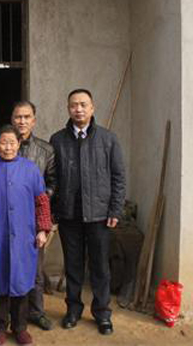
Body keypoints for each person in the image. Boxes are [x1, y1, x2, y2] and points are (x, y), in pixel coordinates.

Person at [49, 89, 126, 335]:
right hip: (69, 215)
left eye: (83, 104)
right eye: (74, 105)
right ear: (68, 109)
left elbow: (118, 177)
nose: (79, 109)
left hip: (99, 215)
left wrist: (115, 209)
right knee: (73, 266)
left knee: (100, 267)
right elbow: (52, 178)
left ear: (92, 108)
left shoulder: (108, 139)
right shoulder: (58, 140)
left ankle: (102, 313)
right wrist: (53, 211)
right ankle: (73, 310)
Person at [0, 125, 53, 346]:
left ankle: (20, 328)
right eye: (3, 142)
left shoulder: (30, 169)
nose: (8, 147)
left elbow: (42, 202)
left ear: (19, 144)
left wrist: (42, 229)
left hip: (24, 237)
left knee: (21, 283)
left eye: (12, 142)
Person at [10, 101, 57, 330]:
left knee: (35, 268)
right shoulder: (2, 146)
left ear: (34, 120)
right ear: (12, 120)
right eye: (18, 117)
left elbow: (53, 182)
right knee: (8, 264)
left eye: (26, 117)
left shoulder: (45, 150)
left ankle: (36, 312)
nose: (22, 121)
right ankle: (9, 311)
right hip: (8, 216)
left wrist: (37, 200)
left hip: (33, 217)